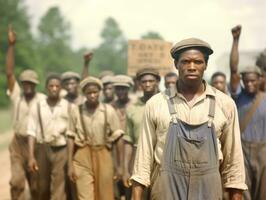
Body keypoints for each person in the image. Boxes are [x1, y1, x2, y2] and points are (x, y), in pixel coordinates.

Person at [131, 38, 247, 200]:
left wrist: (236, 195)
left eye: (198, 62)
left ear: (205, 65)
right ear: (176, 64)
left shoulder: (225, 104)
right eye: (185, 62)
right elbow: (143, 159)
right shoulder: (157, 103)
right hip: (166, 189)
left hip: (208, 189)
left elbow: (234, 162)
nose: (192, 67)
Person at [66, 76, 124, 200]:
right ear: (84, 94)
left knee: (105, 194)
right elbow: (70, 137)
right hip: (82, 155)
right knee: (85, 195)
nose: (92, 95)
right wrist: (70, 164)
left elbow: (118, 137)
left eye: (95, 92)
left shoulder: (108, 111)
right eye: (89, 93)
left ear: (99, 92)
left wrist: (120, 166)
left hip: (103, 153)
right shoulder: (76, 111)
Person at [6, 25, 45, 200]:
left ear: (36, 85)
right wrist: (11, 46)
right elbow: (9, 73)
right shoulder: (17, 96)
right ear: (22, 85)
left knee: (36, 186)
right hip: (18, 143)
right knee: (16, 182)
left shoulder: (42, 99)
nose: (28, 86)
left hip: (37, 145)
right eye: (25, 83)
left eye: (31, 83)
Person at [230, 25, 266, 200]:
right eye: (246, 81)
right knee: (244, 193)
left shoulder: (265, 98)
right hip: (243, 151)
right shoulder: (238, 96)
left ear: (261, 80)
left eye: (253, 80)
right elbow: (234, 70)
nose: (249, 84)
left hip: (264, 152)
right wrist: (236, 41)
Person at [27, 74, 70, 200]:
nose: (54, 89)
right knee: (43, 187)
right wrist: (31, 156)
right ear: (46, 88)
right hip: (43, 148)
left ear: (61, 88)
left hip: (61, 149)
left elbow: (72, 133)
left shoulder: (67, 106)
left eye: (57, 86)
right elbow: (31, 131)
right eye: (51, 86)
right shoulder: (38, 106)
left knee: (59, 187)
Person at [123, 68, 160, 199]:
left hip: (160, 157)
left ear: (157, 82)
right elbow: (128, 140)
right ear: (139, 84)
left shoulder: (166, 104)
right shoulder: (132, 108)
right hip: (138, 156)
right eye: (144, 81)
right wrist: (126, 169)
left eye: (151, 81)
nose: (148, 84)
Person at [111, 75, 134, 199]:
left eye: (123, 88)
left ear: (128, 89)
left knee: (130, 180)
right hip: (114, 149)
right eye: (118, 89)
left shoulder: (134, 105)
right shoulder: (109, 107)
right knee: (114, 181)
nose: (120, 91)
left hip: (130, 147)